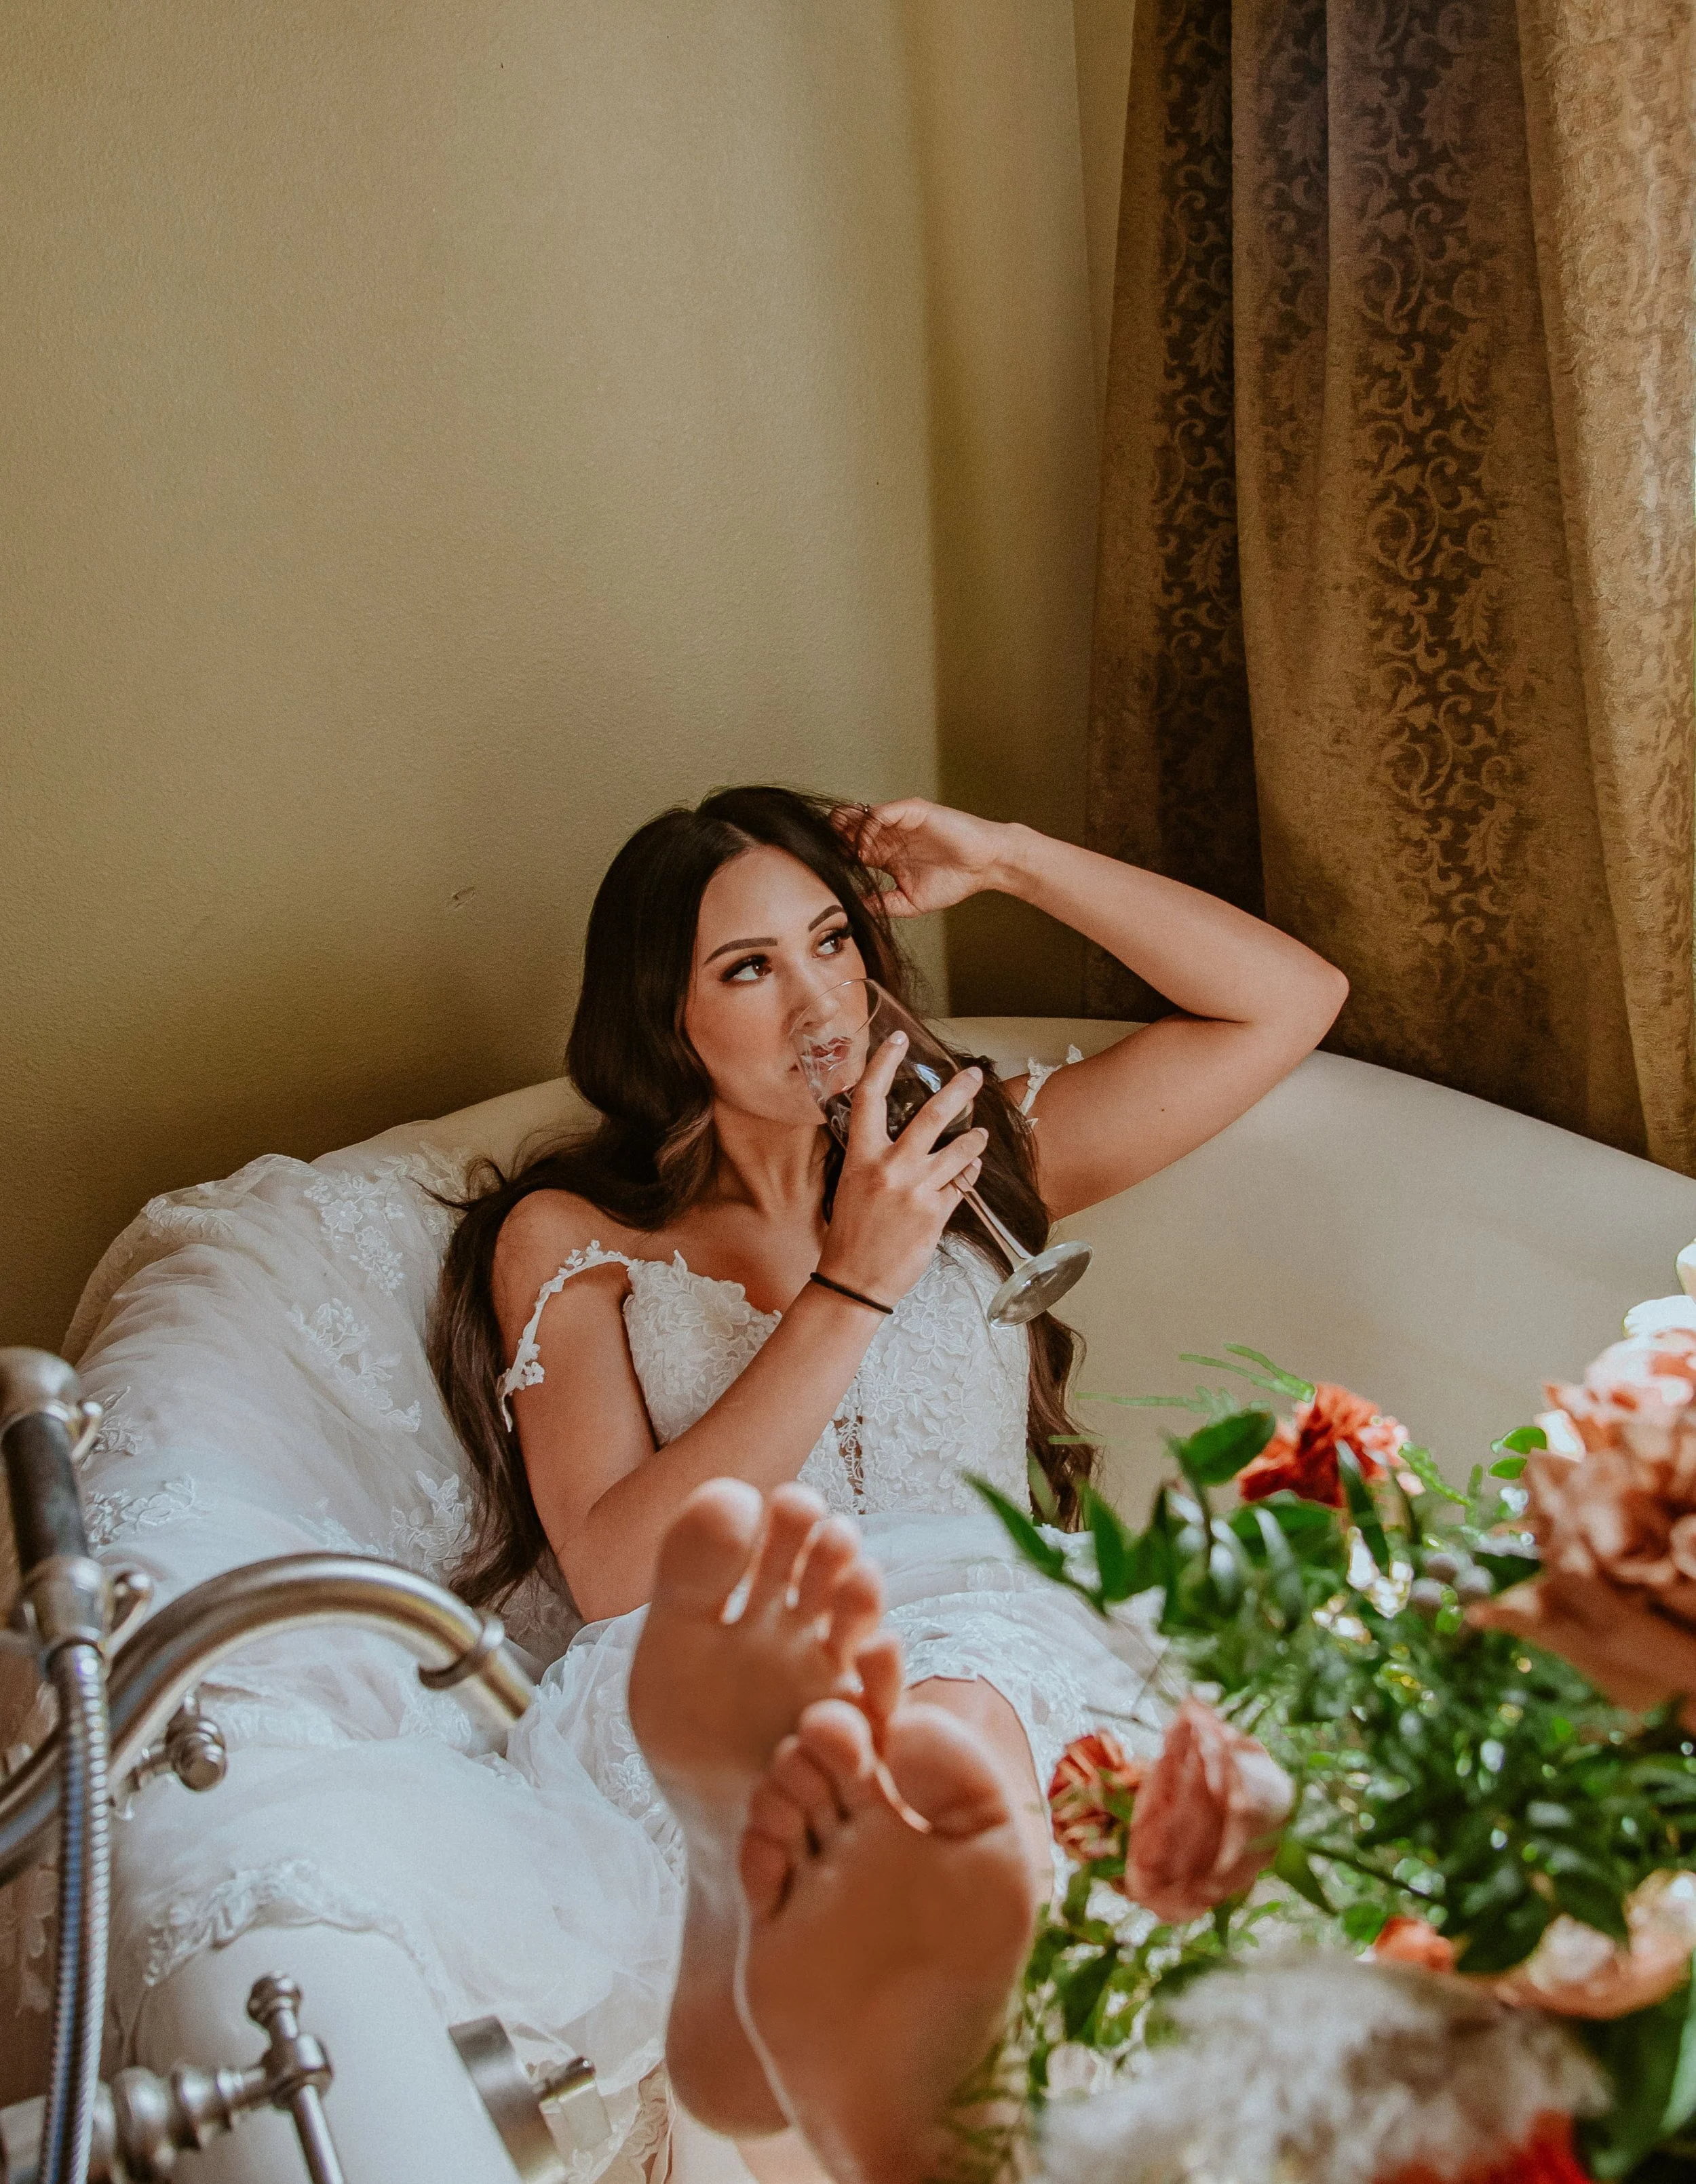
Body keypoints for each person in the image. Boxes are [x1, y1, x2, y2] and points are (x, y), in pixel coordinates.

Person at [431, 784, 1347, 2162]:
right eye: (746, 968)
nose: (818, 1004)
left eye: (829, 942)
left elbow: (1287, 999)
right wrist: (849, 1283)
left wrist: (1006, 856)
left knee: (984, 1723)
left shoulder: (970, 1159)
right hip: (740, 1674)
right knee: (939, 1742)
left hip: (1008, 1646)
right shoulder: (580, 1236)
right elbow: (617, 1566)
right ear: (658, 1016)